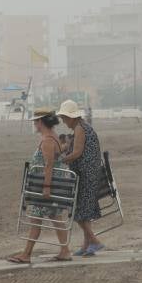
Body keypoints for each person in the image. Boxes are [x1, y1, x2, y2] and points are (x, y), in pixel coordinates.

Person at [8, 110, 72, 263]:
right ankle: (65, 251)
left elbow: (49, 164)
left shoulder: (48, 140)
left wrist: (46, 187)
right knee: (55, 217)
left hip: (45, 186)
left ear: (41, 122)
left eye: (36, 121)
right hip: (50, 185)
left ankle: (26, 254)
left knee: (36, 219)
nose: (34, 124)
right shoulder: (51, 137)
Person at [57, 100, 104, 256]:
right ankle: (86, 246)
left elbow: (77, 153)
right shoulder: (82, 127)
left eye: (64, 117)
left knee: (78, 213)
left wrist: (60, 161)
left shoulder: (79, 129)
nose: (63, 121)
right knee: (84, 213)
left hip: (86, 176)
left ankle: (95, 242)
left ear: (71, 117)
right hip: (89, 174)